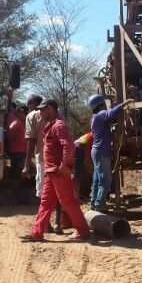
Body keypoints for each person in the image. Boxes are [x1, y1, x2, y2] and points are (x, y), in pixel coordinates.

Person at [22, 100, 91, 242]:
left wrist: (64, 164)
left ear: (50, 109)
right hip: (51, 172)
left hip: (58, 173)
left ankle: (83, 231)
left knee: (67, 202)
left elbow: (69, 146)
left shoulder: (59, 126)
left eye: (42, 110)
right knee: (46, 203)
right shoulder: (51, 125)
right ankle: (37, 233)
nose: (40, 113)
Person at [22, 93, 62, 232]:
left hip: (42, 159)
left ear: (34, 103)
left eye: (29, 105)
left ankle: (47, 225)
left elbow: (31, 141)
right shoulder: (57, 114)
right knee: (58, 191)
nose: (29, 108)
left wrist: (27, 163)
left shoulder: (31, 116)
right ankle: (58, 223)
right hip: (57, 160)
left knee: (43, 193)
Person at [88, 94, 134, 212]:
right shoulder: (101, 114)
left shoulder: (94, 117)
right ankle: (99, 204)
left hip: (97, 151)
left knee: (97, 179)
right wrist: (126, 102)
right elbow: (112, 113)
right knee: (106, 180)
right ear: (101, 104)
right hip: (102, 152)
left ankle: (94, 203)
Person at [5, 90, 28, 177]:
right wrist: (16, 137)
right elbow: (11, 128)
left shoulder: (11, 115)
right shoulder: (17, 121)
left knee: (16, 167)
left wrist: (9, 99)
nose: (25, 117)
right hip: (18, 150)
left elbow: (9, 109)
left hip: (16, 149)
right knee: (17, 169)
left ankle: (16, 182)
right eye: (24, 114)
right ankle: (17, 185)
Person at [72, 131, 93, 200]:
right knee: (76, 175)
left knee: (76, 173)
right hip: (78, 148)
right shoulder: (95, 136)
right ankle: (76, 198)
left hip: (76, 146)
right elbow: (87, 160)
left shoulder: (91, 134)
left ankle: (75, 197)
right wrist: (93, 174)